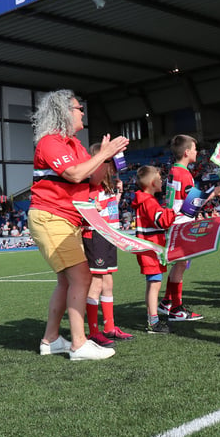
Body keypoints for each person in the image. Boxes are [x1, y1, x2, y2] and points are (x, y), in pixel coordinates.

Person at [31, 89, 128, 361]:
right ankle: (78, 343)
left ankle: (50, 340)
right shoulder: (50, 142)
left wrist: (108, 156)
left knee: (66, 281)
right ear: (63, 112)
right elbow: (74, 174)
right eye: (77, 108)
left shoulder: (74, 144)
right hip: (51, 217)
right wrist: (103, 153)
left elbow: (92, 178)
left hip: (66, 218)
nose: (82, 112)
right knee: (82, 277)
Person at [159, 134, 220, 321]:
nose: (197, 152)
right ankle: (176, 308)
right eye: (194, 149)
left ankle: (167, 302)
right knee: (181, 265)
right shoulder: (184, 174)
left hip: (174, 221)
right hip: (180, 223)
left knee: (179, 264)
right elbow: (191, 205)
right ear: (187, 152)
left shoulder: (174, 170)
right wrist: (214, 193)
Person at [82, 142, 134, 348]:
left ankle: (109, 326)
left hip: (109, 235)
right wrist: (91, 205)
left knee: (108, 282)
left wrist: (117, 195)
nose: (112, 166)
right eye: (109, 161)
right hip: (95, 236)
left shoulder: (108, 185)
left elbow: (109, 211)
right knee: (96, 283)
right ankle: (94, 331)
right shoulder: (90, 186)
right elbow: (86, 213)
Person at [133, 165, 176, 334]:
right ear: (152, 182)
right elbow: (162, 222)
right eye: (159, 179)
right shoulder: (149, 201)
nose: (162, 181)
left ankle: (152, 317)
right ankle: (153, 321)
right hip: (151, 249)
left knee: (152, 284)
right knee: (155, 285)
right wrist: (172, 211)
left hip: (148, 249)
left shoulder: (143, 200)